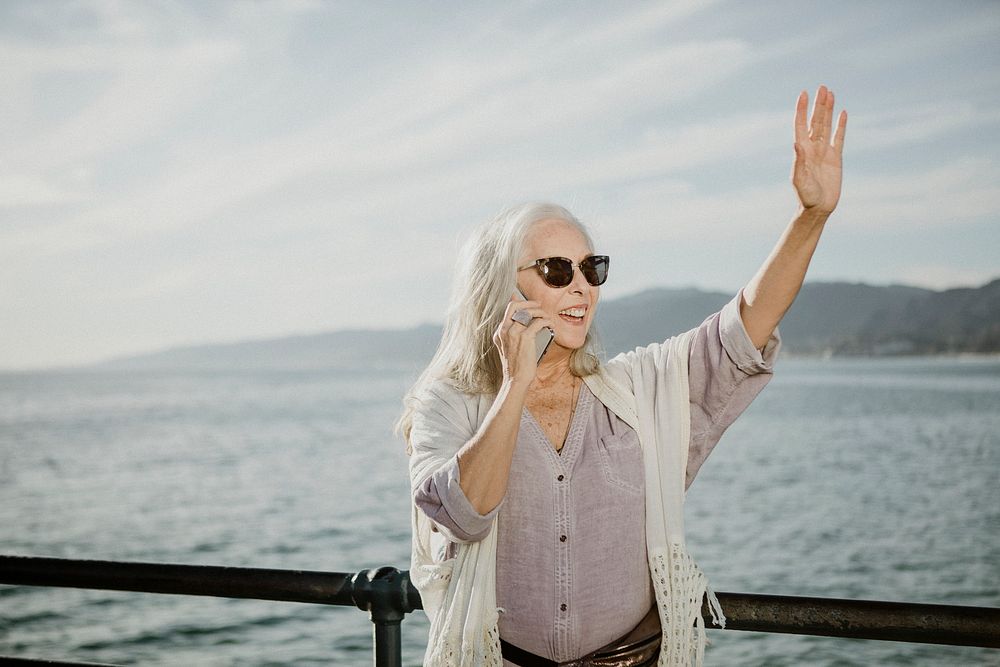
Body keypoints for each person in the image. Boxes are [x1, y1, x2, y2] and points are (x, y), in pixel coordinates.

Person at [399, 85, 847, 666]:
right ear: (501, 285)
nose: (581, 285)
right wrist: (514, 386)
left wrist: (811, 216)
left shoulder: (639, 390)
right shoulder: (451, 402)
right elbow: (462, 514)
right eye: (557, 269)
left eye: (592, 267)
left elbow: (743, 329)